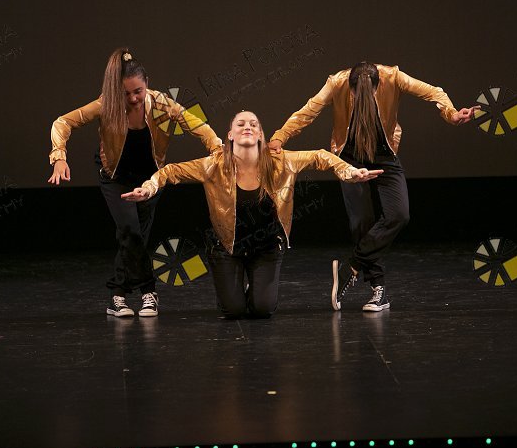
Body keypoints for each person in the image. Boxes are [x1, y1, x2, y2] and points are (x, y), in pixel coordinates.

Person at [121, 110, 382, 319]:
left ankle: (255, 285)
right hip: (227, 248)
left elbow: (320, 157)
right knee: (232, 311)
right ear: (230, 135)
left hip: (266, 247)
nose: (248, 127)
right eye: (241, 124)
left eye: (254, 124)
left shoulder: (281, 161)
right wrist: (149, 187)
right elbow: (171, 172)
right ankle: (234, 287)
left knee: (263, 310)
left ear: (260, 135)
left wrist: (350, 172)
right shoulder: (214, 165)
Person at [268, 62, 479, 312]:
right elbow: (308, 111)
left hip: (384, 156)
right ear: (351, 89)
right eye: (357, 94)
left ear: (378, 88)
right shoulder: (337, 82)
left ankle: (351, 266)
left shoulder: (394, 77)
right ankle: (378, 289)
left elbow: (433, 92)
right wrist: (280, 135)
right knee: (361, 221)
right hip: (350, 158)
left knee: (399, 214)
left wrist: (451, 114)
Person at [47, 48, 222, 318]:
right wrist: (59, 157)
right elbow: (62, 123)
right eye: (126, 93)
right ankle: (149, 292)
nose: (132, 99)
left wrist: (218, 149)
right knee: (129, 230)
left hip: (150, 179)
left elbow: (197, 125)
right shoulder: (107, 104)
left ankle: (116, 295)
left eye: (138, 91)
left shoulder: (162, 104)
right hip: (115, 177)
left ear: (147, 83)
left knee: (134, 237)